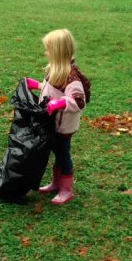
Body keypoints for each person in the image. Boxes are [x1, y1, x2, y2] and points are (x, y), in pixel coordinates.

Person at [26, 29, 89, 205]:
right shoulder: (55, 70)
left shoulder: (71, 77)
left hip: (63, 126)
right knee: (56, 151)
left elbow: (78, 101)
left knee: (63, 154)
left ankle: (66, 189)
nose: (45, 52)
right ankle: (56, 182)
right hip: (52, 123)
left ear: (57, 52)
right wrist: (37, 85)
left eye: (48, 49)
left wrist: (61, 103)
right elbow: (50, 90)